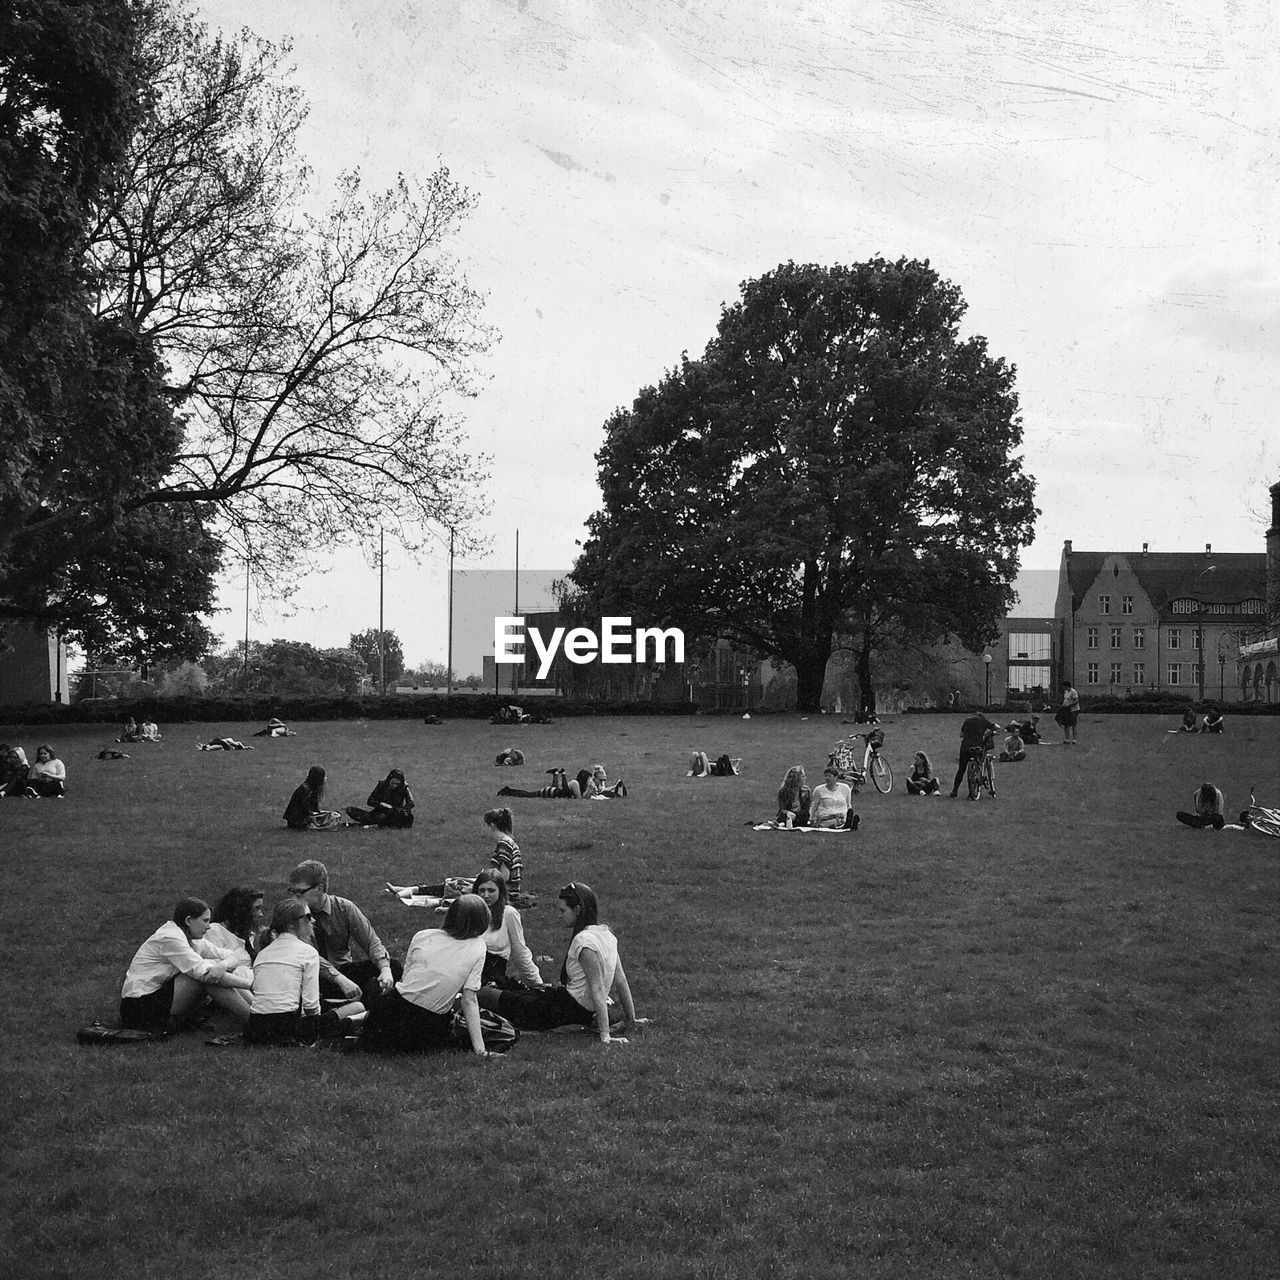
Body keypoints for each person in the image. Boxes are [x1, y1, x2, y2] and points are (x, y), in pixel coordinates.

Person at [479, 882, 639, 1045]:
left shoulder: (584, 941)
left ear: (577, 910)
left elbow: (597, 988)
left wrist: (605, 1035)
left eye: (563, 910)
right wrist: (632, 1019)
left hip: (566, 1011)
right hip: (565, 1003)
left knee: (487, 995)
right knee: (520, 991)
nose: (560, 915)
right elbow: (621, 980)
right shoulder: (607, 934)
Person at [360, 895, 492, 1055]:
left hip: (388, 1013)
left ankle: (353, 1018)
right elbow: (469, 1000)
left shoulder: (423, 935)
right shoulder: (478, 946)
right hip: (427, 1029)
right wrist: (481, 1050)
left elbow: (406, 979)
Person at [119, 896, 253, 1032]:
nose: (209, 927)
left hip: (157, 998)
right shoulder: (171, 938)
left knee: (215, 967)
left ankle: (259, 1012)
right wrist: (250, 984)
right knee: (209, 977)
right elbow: (205, 974)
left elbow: (231, 956)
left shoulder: (193, 938)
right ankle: (256, 1021)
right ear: (189, 921)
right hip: (138, 1008)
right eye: (205, 921)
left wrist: (223, 966)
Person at [286, 860, 399, 1003]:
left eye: (300, 892)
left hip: (343, 969)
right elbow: (309, 956)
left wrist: (385, 969)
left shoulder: (344, 908)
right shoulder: (293, 915)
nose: (294, 897)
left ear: (319, 889)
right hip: (311, 974)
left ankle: (353, 1002)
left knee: (393, 966)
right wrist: (340, 980)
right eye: (292, 892)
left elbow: (371, 941)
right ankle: (363, 1003)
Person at [471, 869, 543, 988]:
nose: (486, 895)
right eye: (482, 890)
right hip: (467, 975)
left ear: (500, 891)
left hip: (492, 979)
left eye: (491, 890)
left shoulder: (508, 914)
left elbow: (520, 951)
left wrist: (538, 983)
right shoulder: (470, 912)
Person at [206, 887, 266, 966]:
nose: (261, 914)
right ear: (242, 909)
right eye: (256, 908)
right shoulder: (214, 931)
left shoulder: (251, 935)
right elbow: (213, 966)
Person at [950, 712, 1000, 797]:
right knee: (978, 766)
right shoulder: (984, 721)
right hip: (978, 747)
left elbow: (961, 735)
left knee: (961, 769)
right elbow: (996, 727)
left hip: (966, 747)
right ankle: (972, 792)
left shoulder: (968, 721)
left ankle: (955, 790)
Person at [346, 767, 415, 827]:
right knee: (351, 810)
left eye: (397, 784)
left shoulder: (404, 787)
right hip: (379, 811)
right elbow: (370, 801)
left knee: (408, 817)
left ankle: (370, 823)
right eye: (393, 783)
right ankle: (371, 822)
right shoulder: (382, 785)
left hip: (395, 813)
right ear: (389, 780)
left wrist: (405, 809)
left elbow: (411, 802)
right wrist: (381, 804)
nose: (394, 786)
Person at [283, 765, 346, 831]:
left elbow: (314, 808)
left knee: (333, 815)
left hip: (304, 817)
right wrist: (316, 814)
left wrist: (319, 813)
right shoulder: (305, 790)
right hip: (298, 820)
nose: (325, 778)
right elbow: (305, 809)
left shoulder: (311, 789)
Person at [808, 764, 858, 829]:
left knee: (842, 819)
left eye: (829, 776)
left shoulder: (845, 788)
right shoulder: (818, 790)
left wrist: (849, 812)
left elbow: (848, 804)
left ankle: (847, 823)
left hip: (841, 816)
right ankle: (845, 825)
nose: (827, 778)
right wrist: (811, 819)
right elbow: (814, 806)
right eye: (826, 776)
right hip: (826, 816)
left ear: (836, 777)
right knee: (830, 821)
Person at [1056, 680, 1080, 744]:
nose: (1063, 688)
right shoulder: (1066, 692)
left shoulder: (1073, 692)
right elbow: (1065, 700)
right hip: (1066, 710)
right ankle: (1067, 739)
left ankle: (1074, 739)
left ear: (1067, 686)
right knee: (1066, 724)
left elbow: (1076, 701)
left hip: (1073, 710)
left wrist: (1069, 705)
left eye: (1063, 686)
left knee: (1073, 724)